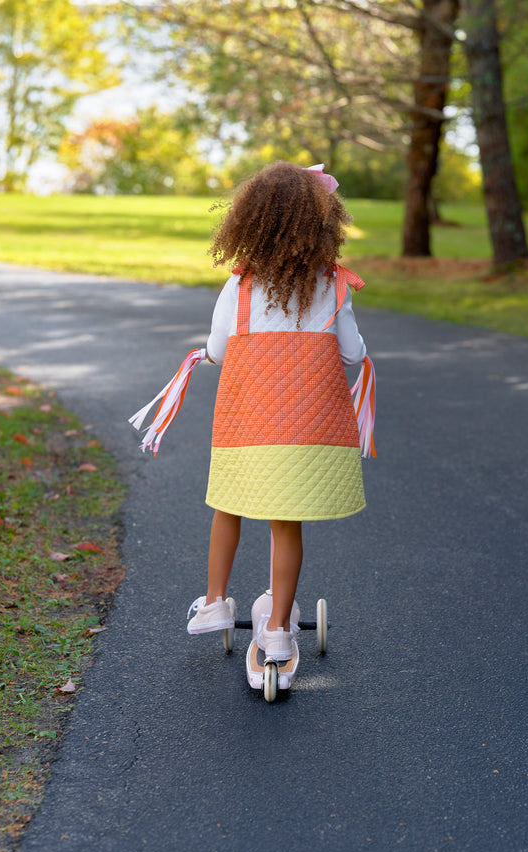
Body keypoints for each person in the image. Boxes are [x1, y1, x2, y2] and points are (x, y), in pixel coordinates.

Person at [186, 161, 369, 662]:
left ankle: (216, 602)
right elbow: (352, 355)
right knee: (286, 524)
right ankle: (278, 629)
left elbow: (219, 351)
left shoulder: (240, 286)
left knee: (228, 505)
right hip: (308, 430)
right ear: (322, 224)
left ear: (250, 221)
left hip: (247, 426)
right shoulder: (332, 285)